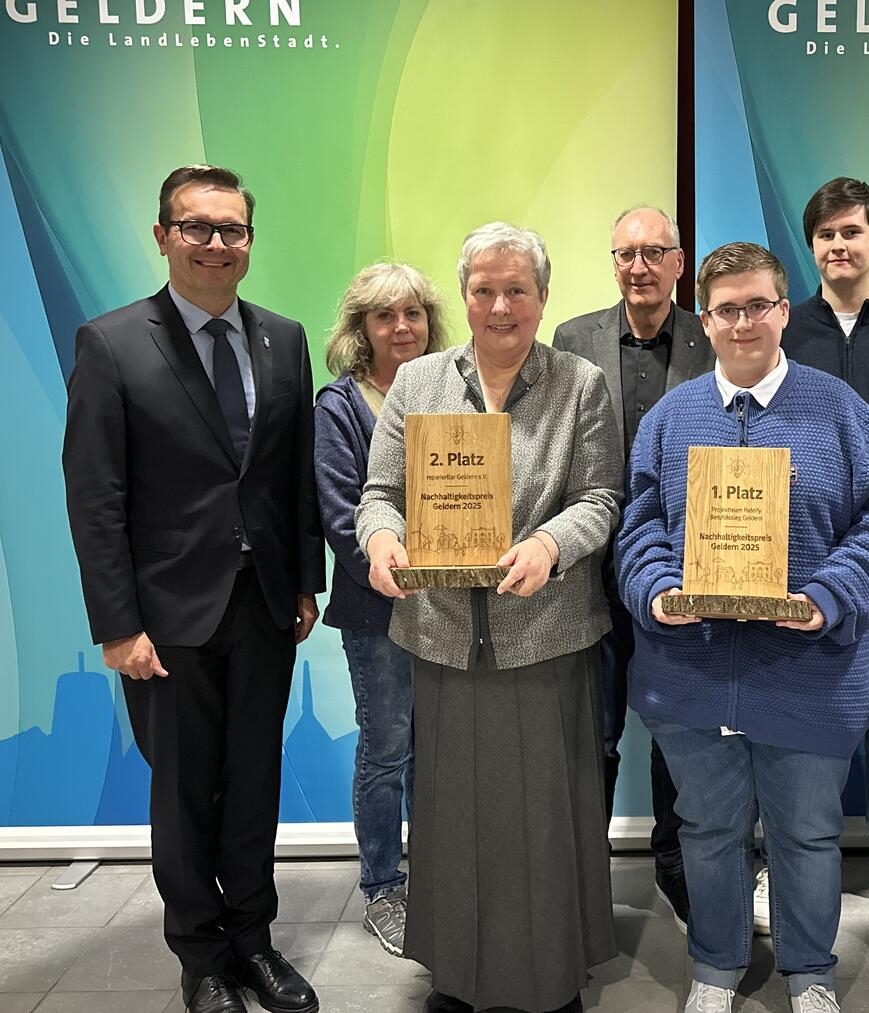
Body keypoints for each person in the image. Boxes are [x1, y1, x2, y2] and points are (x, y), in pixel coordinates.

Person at [617, 242, 869, 1013]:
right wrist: (656, 590)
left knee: (808, 837)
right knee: (708, 834)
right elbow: (639, 524)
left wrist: (830, 593)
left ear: (784, 311)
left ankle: (809, 971)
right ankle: (714, 968)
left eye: (758, 305)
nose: (742, 322)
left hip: (809, 670)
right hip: (693, 672)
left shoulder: (839, 410)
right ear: (704, 319)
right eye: (725, 309)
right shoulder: (671, 416)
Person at [62, 164, 324, 1013]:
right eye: (197, 227)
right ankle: (201, 957)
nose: (216, 244)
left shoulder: (283, 337)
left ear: (250, 240)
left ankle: (254, 942)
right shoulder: (111, 343)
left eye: (232, 230)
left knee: (255, 780)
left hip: (264, 605)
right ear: (163, 235)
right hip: (164, 617)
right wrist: (116, 624)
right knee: (182, 792)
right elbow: (95, 493)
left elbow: (293, 478)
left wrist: (306, 582)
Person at [357, 223, 621, 1013]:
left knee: (543, 817)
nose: (499, 305)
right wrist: (380, 539)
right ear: (464, 296)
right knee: (450, 819)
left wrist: (549, 542)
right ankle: (459, 974)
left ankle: (547, 977)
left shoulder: (580, 384)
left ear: (543, 297)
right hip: (440, 635)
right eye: (483, 290)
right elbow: (378, 493)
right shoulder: (418, 383)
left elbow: (601, 498)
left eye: (517, 290)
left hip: (545, 632)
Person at [552, 206, 714, 931]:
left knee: (679, 724)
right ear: (612, 262)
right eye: (626, 253)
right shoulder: (572, 339)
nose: (639, 266)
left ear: (680, 263)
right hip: (591, 572)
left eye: (655, 252)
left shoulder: (715, 335)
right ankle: (582, 873)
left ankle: (675, 861)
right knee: (596, 729)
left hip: (685, 573)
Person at [779, 176, 869, 931]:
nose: (840, 246)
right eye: (827, 235)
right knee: (791, 714)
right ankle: (784, 859)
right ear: (813, 246)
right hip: (793, 553)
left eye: (852, 232)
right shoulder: (782, 325)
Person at [314, 262, 450, 955]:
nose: (402, 327)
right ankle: (382, 885)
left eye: (414, 313)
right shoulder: (339, 406)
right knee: (388, 745)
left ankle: (432, 878)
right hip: (378, 612)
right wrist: (401, 562)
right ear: (362, 330)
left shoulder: (455, 394)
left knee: (438, 750)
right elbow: (343, 516)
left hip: (452, 608)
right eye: (385, 316)